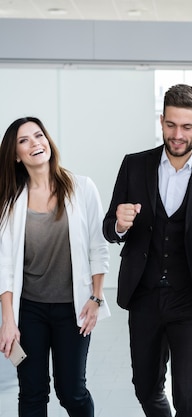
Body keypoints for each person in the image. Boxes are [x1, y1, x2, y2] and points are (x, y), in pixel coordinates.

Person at [102, 84, 192, 417]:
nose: (177, 134)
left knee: (188, 397)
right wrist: (119, 224)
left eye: (186, 127)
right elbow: (108, 227)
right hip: (144, 296)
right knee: (146, 388)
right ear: (161, 121)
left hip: (191, 301)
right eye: (171, 125)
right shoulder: (134, 166)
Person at [0, 116, 110, 416]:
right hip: (29, 310)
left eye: (38, 135)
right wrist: (8, 320)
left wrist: (96, 297)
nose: (35, 143)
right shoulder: (9, 200)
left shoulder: (82, 188)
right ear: (15, 154)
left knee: (72, 392)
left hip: (71, 309)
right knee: (32, 393)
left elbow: (97, 248)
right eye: (24, 140)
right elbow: (4, 265)